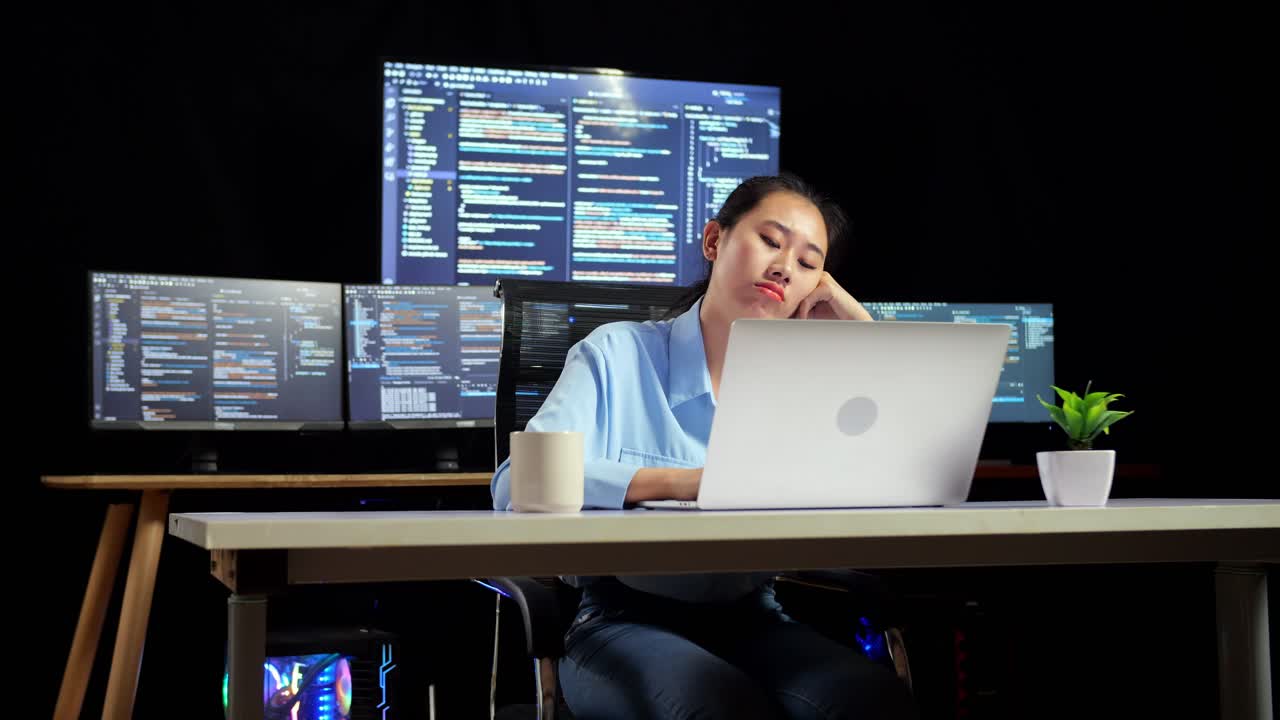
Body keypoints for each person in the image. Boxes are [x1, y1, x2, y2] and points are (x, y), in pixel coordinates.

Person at [491, 173, 917, 719]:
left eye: (810, 263)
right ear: (714, 241)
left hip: (755, 617)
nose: (786, 266)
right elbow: (513, 486)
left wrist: (860, 330)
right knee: (717, 705)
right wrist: (683, 483)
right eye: (771, 240)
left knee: (874, 701)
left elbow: (905, 470)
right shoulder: (617, 354)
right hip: (621, 619)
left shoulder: (803, 386)